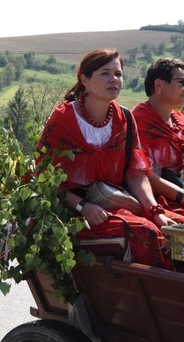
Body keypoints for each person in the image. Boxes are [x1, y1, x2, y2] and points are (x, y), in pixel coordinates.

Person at [38, 48, 176, 269]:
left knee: (182, 224)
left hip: (116, 202)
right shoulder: (63, 119)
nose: (114, 79)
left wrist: (155, 211)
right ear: (84, 79)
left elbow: (136, 174)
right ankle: (156, 297)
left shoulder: (125, 119)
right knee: (145, 232)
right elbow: (44, 180)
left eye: (118, 74)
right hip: (72, 213)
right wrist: (83, 206)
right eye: (105, 73)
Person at [132, 58, 184, 222]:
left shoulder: (181, 120)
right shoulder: (138, 122)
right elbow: (143, 175)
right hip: (153, 199)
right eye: (182, 83)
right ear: (159, 85)